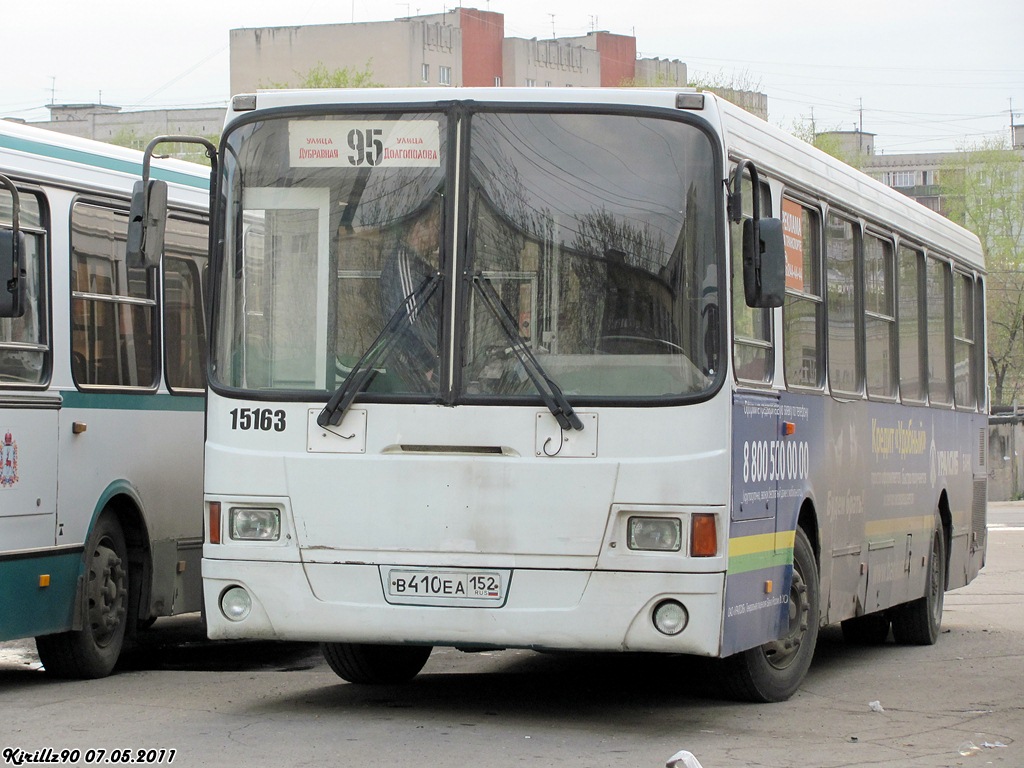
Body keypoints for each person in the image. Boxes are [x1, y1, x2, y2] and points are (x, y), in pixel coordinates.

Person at [378, 210, 441, 391]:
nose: (438, 235)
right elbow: (409, 322)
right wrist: (429, 365)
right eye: (435, 227)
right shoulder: (404, 264)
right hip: (414, 372)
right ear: (418, 227)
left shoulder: (418, 264)